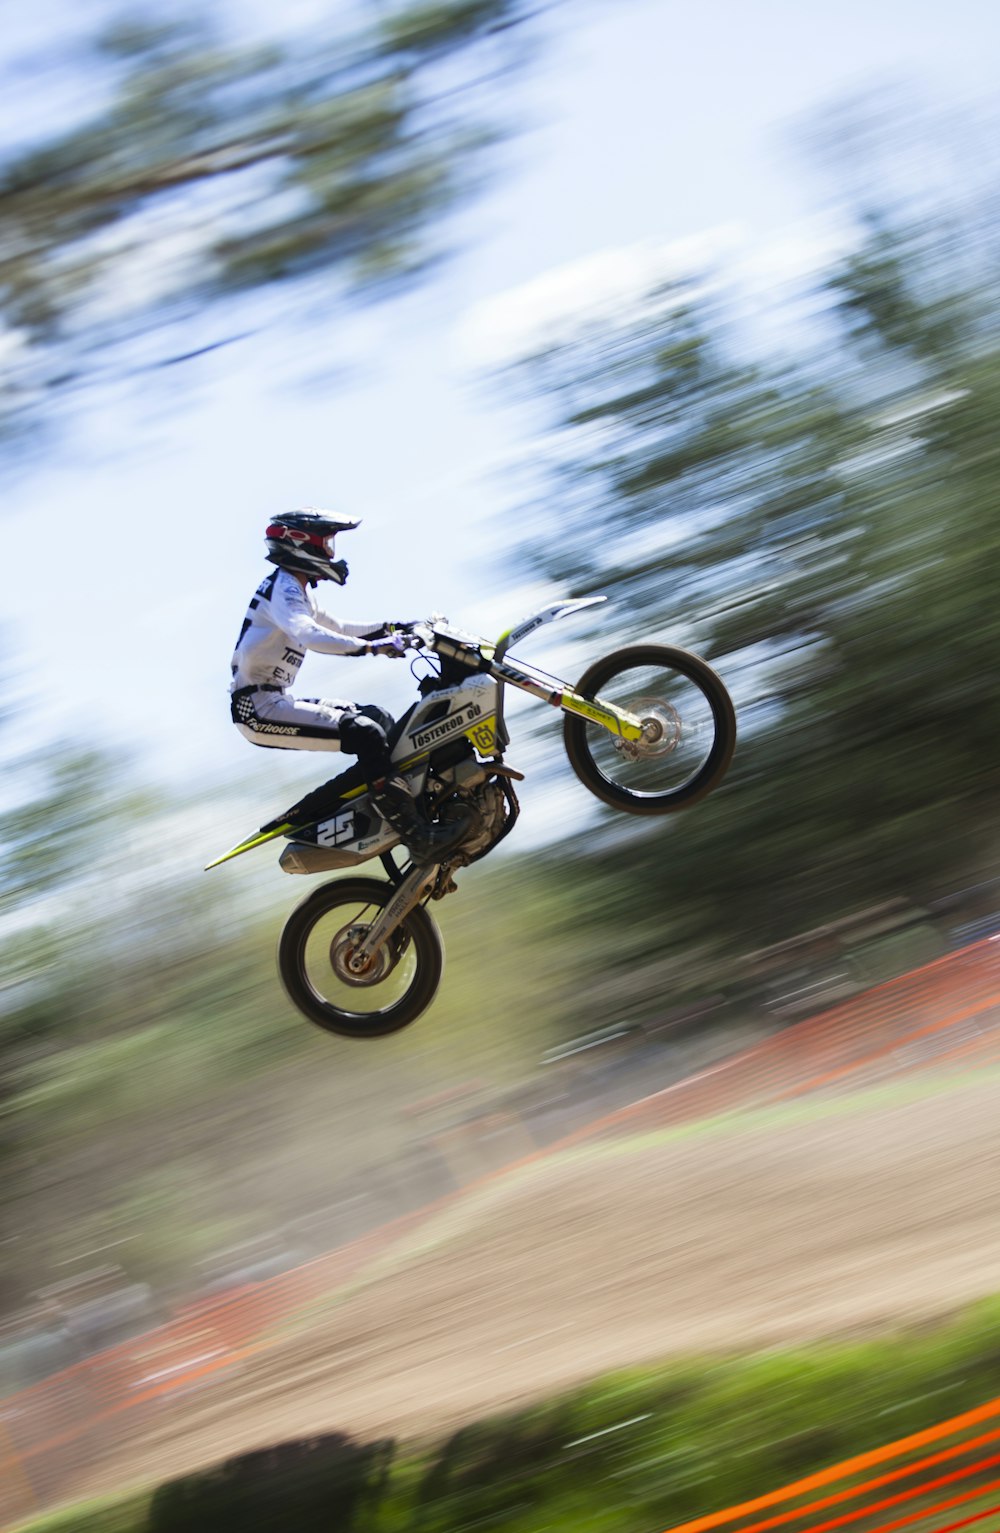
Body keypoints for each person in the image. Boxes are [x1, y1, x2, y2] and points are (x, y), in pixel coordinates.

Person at [231, 508, 464, 861]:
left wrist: (399, 627)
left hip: (273, 699)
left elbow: (340, 627)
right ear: (300, 545)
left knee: (381, 720)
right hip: (257, 710)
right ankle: (416, 837)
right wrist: (372, 648)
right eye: (327, 542)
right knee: (366, 734)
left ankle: (405, 808)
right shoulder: (284, 589)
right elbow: (310, 634)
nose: (332, 553)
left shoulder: (295, 590)